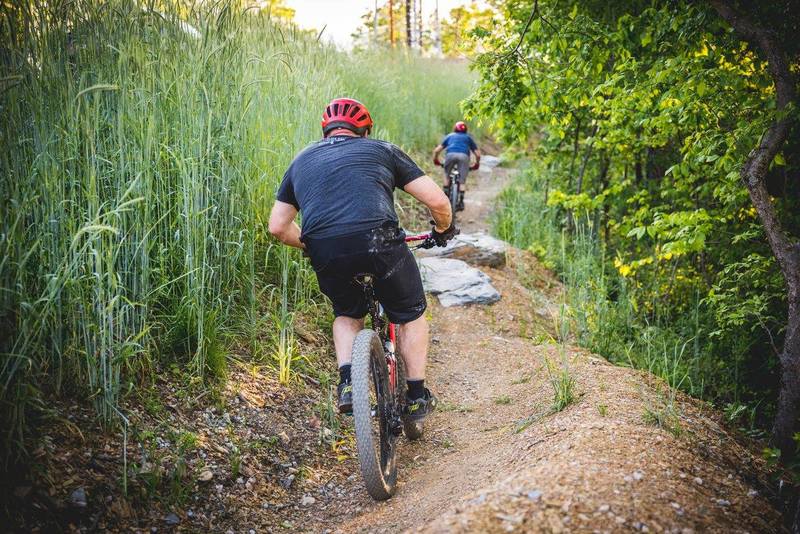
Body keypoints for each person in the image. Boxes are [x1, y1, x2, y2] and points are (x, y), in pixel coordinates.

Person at [268, 97, 458, 423]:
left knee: (346, 313)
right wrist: (443, 229)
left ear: (324, 131)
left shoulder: (301, 161)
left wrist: (315, 246)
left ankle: (346, 385)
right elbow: (438, 201)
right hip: (379, 242)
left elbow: (277, 227)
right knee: (411, 312)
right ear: (366, 131)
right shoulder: (382, 150)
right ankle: (415, 398)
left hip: (326, 249)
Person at [432, 121, 481, 211]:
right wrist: (476, 164)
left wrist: (436, 160)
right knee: (462, 181)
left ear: (455, 128)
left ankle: (445, 199)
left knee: (446, 174)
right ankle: (461, 202)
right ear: (466, 130)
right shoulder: (468, 137)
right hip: (464, 156)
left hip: (450, 155)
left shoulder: (450, 136)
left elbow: (436, 150)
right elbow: (477, 154)